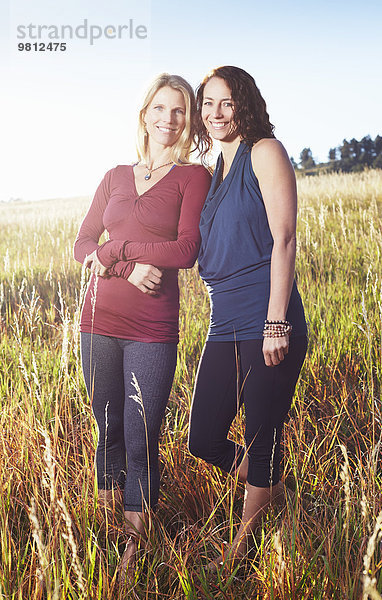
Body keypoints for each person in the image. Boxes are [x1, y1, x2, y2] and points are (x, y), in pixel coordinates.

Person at [73, 73, 211, 576]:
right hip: (96, 320)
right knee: (106, 429)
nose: (169, 120)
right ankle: (107, 529)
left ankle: (135, 546)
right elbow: (83, 243)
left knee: (141, 435)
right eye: (160, 108)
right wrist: (124, 264)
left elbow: (185, 249)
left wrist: (119, 250)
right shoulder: (113, 174)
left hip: (152, 327)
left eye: (179, 111)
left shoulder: (194, 176)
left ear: (189, 119)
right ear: (145, 113)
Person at [188, 66, 308, 570]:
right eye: (208, 104)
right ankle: (273, 485)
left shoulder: (264, 151)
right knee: (204, 437)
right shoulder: (216, 168)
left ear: (244, 105)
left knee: (262, 436)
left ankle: (239, 554)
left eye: (226, 103)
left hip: (266, 316)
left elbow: (283, 237)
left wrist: (276, 320)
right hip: (223, 320)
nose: (216, 114)